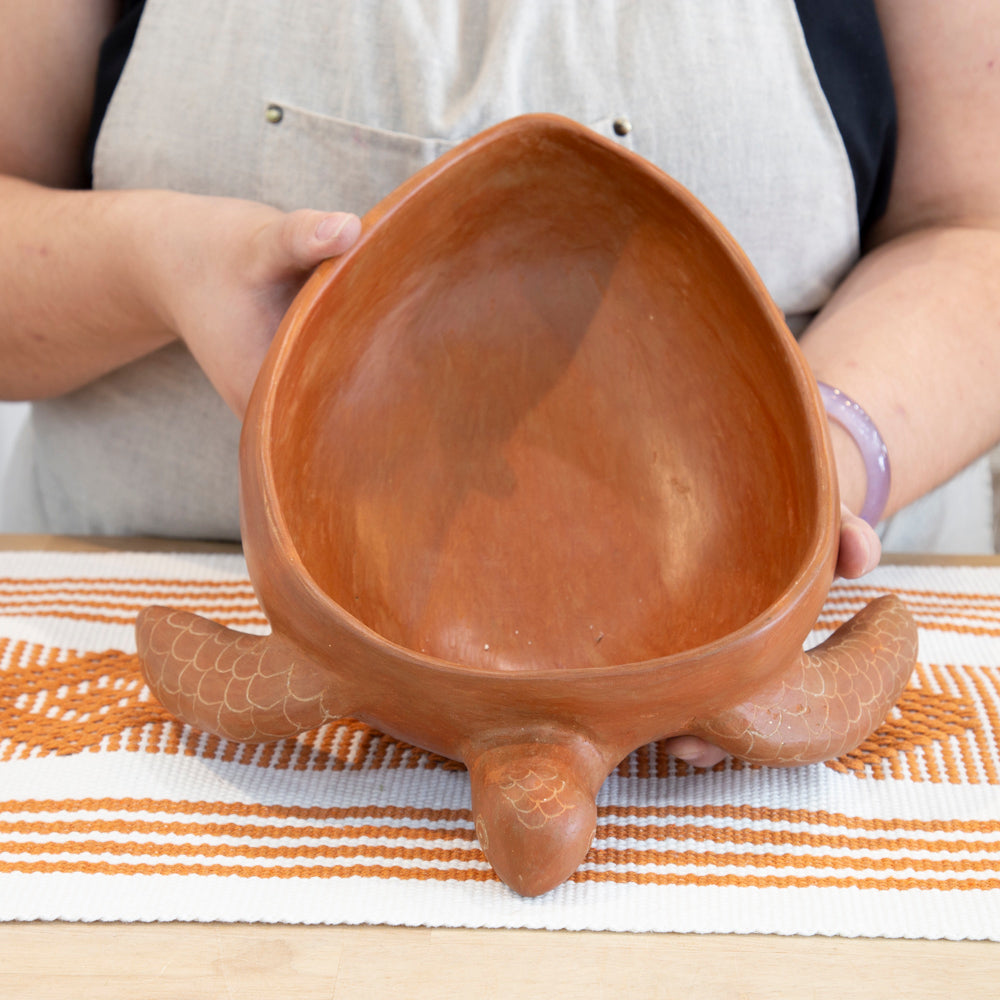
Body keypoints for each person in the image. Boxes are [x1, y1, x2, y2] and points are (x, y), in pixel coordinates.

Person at [1, 1, 999, 765]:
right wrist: (155, 262)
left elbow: (976, 228)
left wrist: (814, 458)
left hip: (743, 641)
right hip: (157, 657)